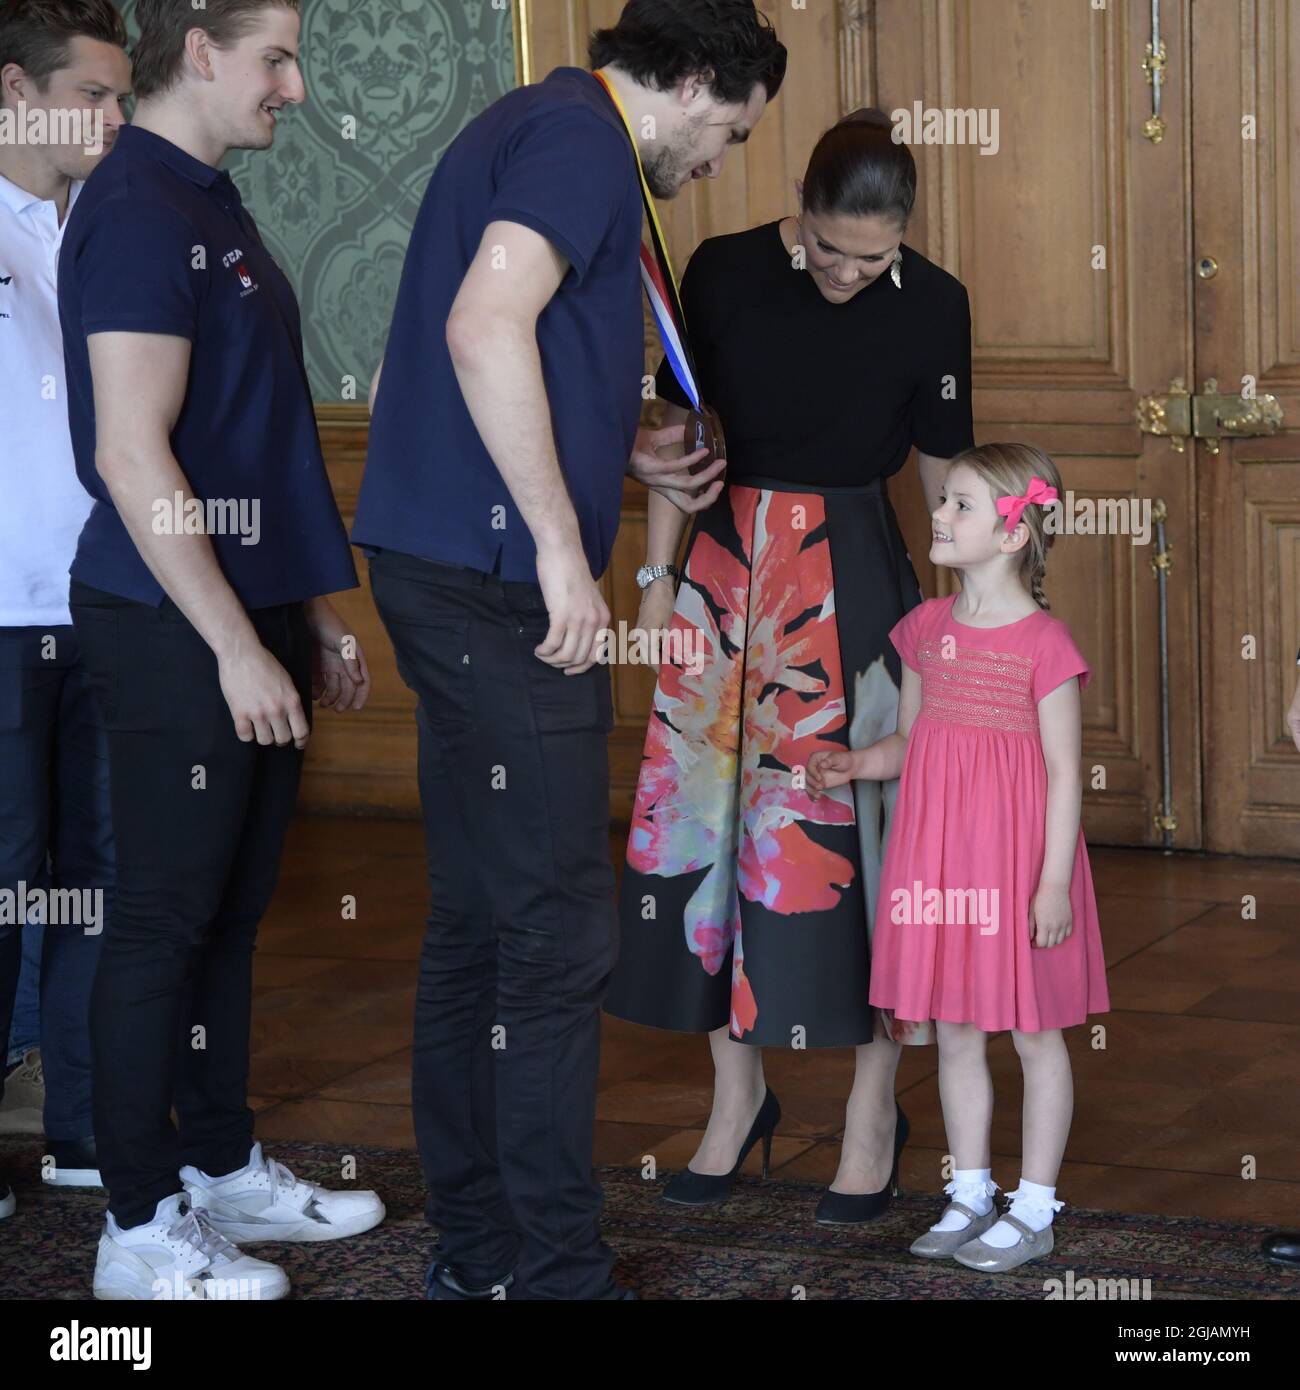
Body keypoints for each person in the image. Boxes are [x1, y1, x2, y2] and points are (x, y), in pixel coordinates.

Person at [352, 0, 786, 1301]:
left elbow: (525, 344)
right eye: (729, 130)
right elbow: (485, 328)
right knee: (552, 934)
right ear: (695, 76)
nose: (720, 159)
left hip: (442, 563)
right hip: (494, 587)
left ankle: (481, 1249)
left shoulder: (537, 121)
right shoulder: (584, 143)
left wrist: (618, 446)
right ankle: (548, 1271)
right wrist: (558, 542)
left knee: (485, 923)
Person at [59, 0, 380, 1299]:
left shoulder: (209, 199)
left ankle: (222, 1164)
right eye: (275, 59)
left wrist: (304, 610)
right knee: (161, 920)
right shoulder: (137, 203)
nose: (293, 88)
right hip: (168, 626)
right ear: (198, 51)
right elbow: (131, 452)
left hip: (246, 617)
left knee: (232, 914)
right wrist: (232, 645)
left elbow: (251, 436)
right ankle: (137, 1224)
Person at [605, 108, 974, 1221]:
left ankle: (871, 1112)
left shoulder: (936, 303)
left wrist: (978, 618)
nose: (849, 274)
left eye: (875, 257)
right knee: (706, 841)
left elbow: (955, 466)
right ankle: (736, 1098)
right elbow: (681, 438)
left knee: (856, 847)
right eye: (827, 249)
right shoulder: (722, 273)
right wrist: (658, 586)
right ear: (797, 216)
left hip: (854, 580)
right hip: (722, 578)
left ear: (902, 237)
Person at [809, 441, 1110, 1272]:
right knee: (955, 1031)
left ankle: (1036, 1205)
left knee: (1036, 1035)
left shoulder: (1044, 644)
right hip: (940, 864)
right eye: (944, 501)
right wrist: (857, 763)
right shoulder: (925, 629)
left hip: (1019, 871)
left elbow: (1060, 772)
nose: (939, 513)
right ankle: (971, 1191)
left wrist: (1053, 886)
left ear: (1013, 533)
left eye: (961, 504)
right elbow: (909, 740)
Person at [0, 0, 131, 1214]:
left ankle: (88, 1135)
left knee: (103, 878)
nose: (113, 116)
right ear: (14, 89)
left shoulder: (115, 226)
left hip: (107, 608)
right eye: (92, 93)